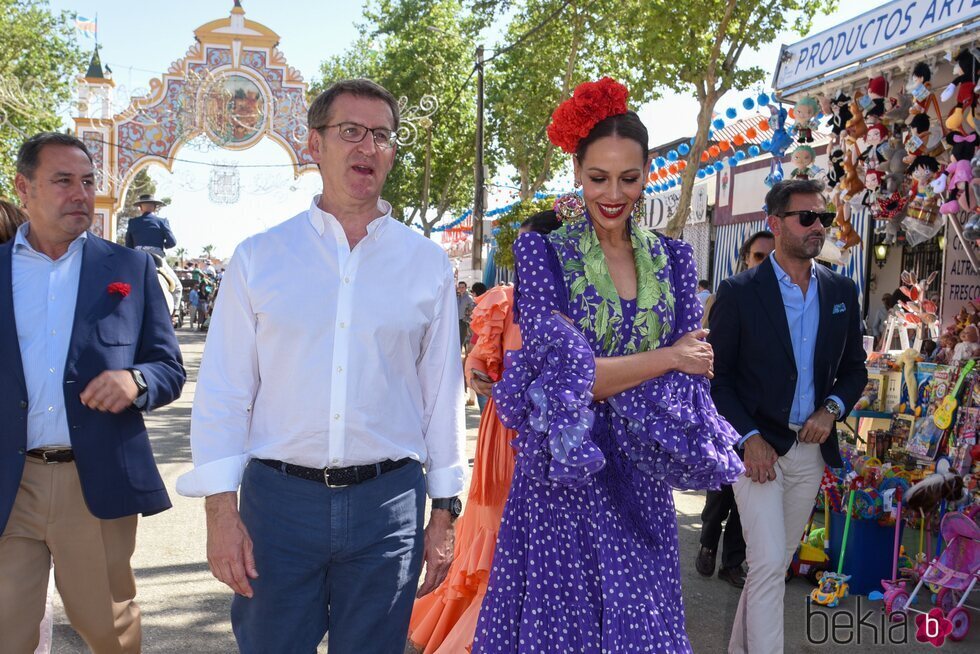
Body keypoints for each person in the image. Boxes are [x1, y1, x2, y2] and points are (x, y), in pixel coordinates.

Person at [175, 79, 466, 654]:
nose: (367, 148)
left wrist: (444, 511)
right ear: (314, 144)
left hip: (388, 509)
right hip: (278, 509)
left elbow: (441, 394)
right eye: (350, 132)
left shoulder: (426, 264)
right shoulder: (260, 258)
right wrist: (219, 512)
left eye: (382, 135)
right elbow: (226, 391)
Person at [473, 77, 743, 653]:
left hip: (642, 475)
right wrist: (666, 359)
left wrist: (617, 372)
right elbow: (567, 380)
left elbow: (689, 383)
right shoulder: (542, 254)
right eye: (598, 178)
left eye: (628, 177)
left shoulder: (675, 259)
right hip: (564, 474)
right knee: (563, 633)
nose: (612, 194)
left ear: (648, 174)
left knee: (641, 628)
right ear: (576, 173)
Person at [0, 132, 185, 653]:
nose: (80, 194)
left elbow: (168, 367)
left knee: (106, 625)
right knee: (7, 629)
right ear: (24, 188)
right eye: (63, 181)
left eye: (87, 182)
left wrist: (136, 381)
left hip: (94, 479)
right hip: (10, 483)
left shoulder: (129, 268)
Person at [709, 179, 868, 654]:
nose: (819, 226)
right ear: (775, 224)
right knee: (768, 562)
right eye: (807, 217)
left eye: (824, 217)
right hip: (757, 450)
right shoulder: (738, 292)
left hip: (811, 452)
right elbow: (717, 379)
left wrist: (833, 408)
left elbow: (854, 369)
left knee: (771, 567)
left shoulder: (842, 289)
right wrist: (748, 437)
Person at [409, 210, 561, 654]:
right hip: (504, 439)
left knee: (546, 543)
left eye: (538, 249)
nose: (527, 258)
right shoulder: (502, 301)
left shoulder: (579, 303)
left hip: (557, 441)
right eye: (522, 249)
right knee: (496, 536)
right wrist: (479, 377)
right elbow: (476, 362)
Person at [695, 230, 775, 589]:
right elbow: (713, 359)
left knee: (752, 494)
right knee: (723, 489)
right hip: (729, 412)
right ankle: (708, 543)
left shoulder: (792, 302)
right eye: (758, 256)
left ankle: (733, 562)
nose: (765, 263)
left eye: (770, 256)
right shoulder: (730, 293)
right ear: (746, 258)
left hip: (766, 418)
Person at [457, 281, 476, 349]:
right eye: (460, 287)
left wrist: (468, 313)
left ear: (465, 288)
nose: (461, 289)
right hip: (457, 321)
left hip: (464, 321)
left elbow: (473, 308)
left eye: (463, 287)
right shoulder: (457, 297)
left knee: (462, 340)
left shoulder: (469, 298)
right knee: (457, 340)